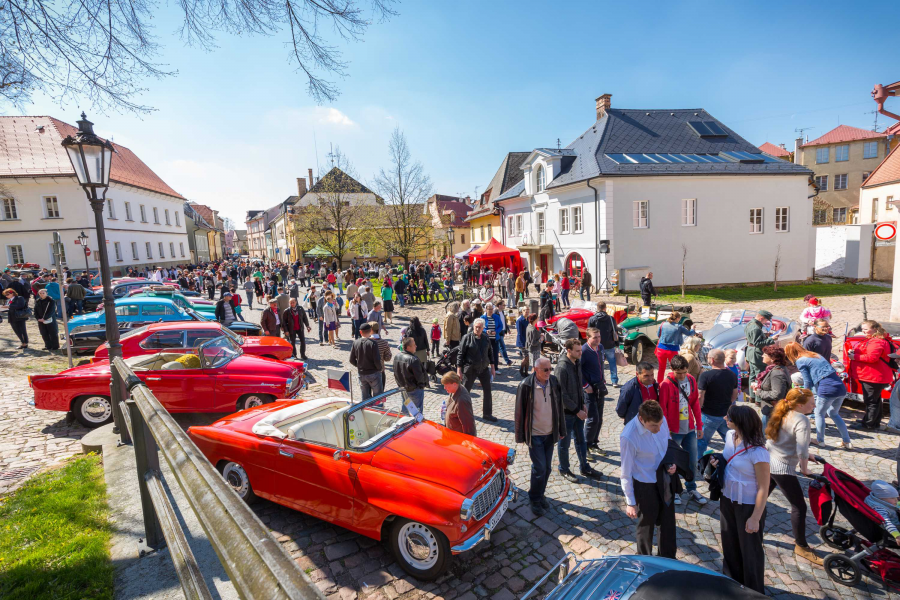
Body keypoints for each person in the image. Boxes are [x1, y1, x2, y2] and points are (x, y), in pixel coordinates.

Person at [710, 405, 770, 594]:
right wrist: (717, 462)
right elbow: (729, 459)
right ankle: (732, 585)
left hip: (749, 506)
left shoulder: (758, 452)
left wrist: (755, 518)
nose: (725, 418)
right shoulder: (730, 436)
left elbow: (763, 488)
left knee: (750, 551)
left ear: (740, 423)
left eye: (729, 417)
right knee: (730, 545)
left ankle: (754, 591)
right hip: (727, 500)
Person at [764, 388, 823, 565]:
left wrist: (808, 455)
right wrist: (805, 470)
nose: (815, 405)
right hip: (781, 468)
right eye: (811, 402)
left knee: (759, 499)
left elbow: (783, 440)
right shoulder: (802, 419)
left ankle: (744, 527)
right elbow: (801, 449)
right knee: (799, 507)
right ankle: (801, 546)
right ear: (800, 405)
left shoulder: (784, 412)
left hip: (769, 461)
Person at [620, 400, 677, 558]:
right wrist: (630, 502)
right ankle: (644, 561)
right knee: (646, 526)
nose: (659, 429)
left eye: (660, 424)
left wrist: (672, 462)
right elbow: (625, 472)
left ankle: (669, 561)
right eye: (653, 426)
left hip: (664, 478)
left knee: (668, 525)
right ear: (641, 420)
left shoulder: (660, 419)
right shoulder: (628, 437)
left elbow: (668, 441)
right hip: (645, 485)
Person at [514, 356, 565, 516]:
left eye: (550, 368)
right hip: (535, 434)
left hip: (550, 434)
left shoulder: (554, 383)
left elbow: (559, 408)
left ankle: (540, 493)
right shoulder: (526, 385)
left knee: (547, 468)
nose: (549, 372)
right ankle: (534, 498)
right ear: (536, 370)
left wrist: (561, 430)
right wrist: (520, 436)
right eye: (545, 370)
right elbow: (519, 412)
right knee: (540, 468)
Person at [658, 355, 705, 506]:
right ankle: (675, 490)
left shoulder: (691, 380)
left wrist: (699, 425)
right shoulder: (665, 384)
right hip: (674, 431)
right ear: (672, 369)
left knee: (692, 460)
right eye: (679, 373)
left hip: (689, 429)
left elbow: (695, 404)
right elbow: (663, 410)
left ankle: (691, 488)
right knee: (673, 463)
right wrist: (666, 432)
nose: (682, 376)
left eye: (684, 372)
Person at [785, 342, 851, 449]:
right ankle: (847, 441)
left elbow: (807, 381)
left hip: (827, 388)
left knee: (819, 414)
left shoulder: (801, 361)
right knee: (833, 413)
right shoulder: (815, 355)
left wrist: (804, 395)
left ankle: (820, 441)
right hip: (840, 387)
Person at [556, 338, 602, 481]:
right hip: (566, 413)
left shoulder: (577, 362)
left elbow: (578, 387)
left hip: (577, 410)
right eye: (577, 351)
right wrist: (577, 410)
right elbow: (561, 395)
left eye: (580, 350)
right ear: (568, 350)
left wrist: (582, 404)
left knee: (581, 441)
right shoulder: (562, 368)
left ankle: (584, 467)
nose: (580, 353)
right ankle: (564, 469)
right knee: (564, 443)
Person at [848, 320, 893, 430]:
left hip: (873, 376)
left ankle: (868, 424)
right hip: (872, 374)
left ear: (875, 329)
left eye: (866, 329)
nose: (863, 331)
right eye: (862, 329)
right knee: (875, 400)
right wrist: (855, 353)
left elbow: (872, 358)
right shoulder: (874, 340)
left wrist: (855, 357)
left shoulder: (877, 341)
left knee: (871, 401)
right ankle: (873, 421)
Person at [697, 349, 738, 457]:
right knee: (731, 440)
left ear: (712, 360)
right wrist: (728, 404)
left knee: (701, 441)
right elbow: (735, 394)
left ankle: (697, 465)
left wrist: (698, 410)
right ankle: (735, 459)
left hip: (708, 415)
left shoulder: (705, 376)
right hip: (725, 415)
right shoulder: (732, 375)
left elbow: (700, 395)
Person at [457, 319, 497, 422]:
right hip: (470, 369)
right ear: (473, 327)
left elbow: (490, 352)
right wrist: (459, 370)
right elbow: (460, 354)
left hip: (483, 368)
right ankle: (461, 413)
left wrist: (493, 368)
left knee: (488, 391)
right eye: (476, 327)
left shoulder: (485, 338)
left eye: (480, 327)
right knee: (464, 392)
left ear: (483, 328)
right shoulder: (466, 338)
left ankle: (487, 414)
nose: (478, 329)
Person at [581, 327, 608, 456]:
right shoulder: (584, 351)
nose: (598, 339)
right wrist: (585, 385)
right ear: (587, 338)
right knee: (592, 418)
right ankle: (586, 446)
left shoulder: (601, 348)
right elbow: (578, 371)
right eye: (594, 337)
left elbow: (601, 365)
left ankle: (594, 443)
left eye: (599, 336)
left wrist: (603, 378)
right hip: (589, 390)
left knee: (600, 418)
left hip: (600, 388)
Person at [744, 310, 779, 403]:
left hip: (750, 353)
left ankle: (752, 396)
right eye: (766, 320)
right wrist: (771, 339)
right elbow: (757, 343)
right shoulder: (755, 328)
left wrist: (765, 336)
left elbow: (752, 339)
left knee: (752, 375)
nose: (766, 322)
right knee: (760, 376)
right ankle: (758, 399)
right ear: (761, 318)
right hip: (756, 354)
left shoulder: (750, 324)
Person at [752, 345, 790, 427]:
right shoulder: (775, 369)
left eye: (765, 355)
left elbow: (777, 394)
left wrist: (758, 392)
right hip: (771, 411)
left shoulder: (776, 373)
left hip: (773, 412)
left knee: (769, 437)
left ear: (773, 358)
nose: (762, 356)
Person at [587, 302, 620, 387]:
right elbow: (615, 332)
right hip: (610, 344)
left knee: (599, 363)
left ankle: (601, 380)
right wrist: (617, 344)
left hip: (597, 344)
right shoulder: (611, 319)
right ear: (605, 308)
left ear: (597, 308)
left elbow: (589, 333)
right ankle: (614, 381)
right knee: (612, 363)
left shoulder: (592, 319)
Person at [655, 312, 693, 383]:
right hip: (672, 350)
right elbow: (689, 333)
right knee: (675, 368)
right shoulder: (679, 326)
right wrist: (693, 329)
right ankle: (673, 383)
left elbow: (658, 335)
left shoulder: (663, 324)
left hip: (661, 349)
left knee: (661, 368)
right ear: (678, 318)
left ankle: (659, 384)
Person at [349, 323, 384, 400]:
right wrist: (379, 369)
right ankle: (378, 411)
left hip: (361, 373)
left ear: (360, 332)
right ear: (371, 331)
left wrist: (359, 366)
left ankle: (366, 410)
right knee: (377, 398)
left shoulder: (355, 343)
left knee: (365, 397)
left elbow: (351, 360)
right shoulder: (373, 343)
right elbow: (377, 360)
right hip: (373, 373)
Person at [394, 337, 427, 415]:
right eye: (414, 345)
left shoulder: (397, 357)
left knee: (405, 408)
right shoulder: (413, 359)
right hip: (414, 389)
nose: (416, 346)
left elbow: (395, 373)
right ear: (408, 347)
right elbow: (419, 377)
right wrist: (421, 386)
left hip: (403, 388)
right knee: (417, 412)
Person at [480, 303, 505, 371]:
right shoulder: (482, 317)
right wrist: (486, 331)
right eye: (489, 309)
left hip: (495, 339)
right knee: (485, 353)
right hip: (486, 339)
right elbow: (480, 327)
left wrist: (496, 331)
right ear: (486, 309)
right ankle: (485, 368)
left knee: (495, 353)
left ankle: (495, 368)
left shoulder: (496, 317)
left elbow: (501, 326)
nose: (491, 311)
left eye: (492, 309)